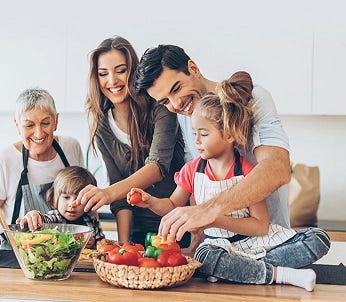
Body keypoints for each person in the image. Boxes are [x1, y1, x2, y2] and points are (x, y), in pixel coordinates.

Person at [128, 72, 330, 291]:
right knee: (205, 256)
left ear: (229, 135)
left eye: (203, 134)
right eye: (194, 133)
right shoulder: (192, 171)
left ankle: (238, 271)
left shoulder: (248, 173)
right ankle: (279, 274)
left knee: (318, 238)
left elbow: (261, 226)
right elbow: (172, 205)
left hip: (256, 243)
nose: (196, 141)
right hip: (219, 248)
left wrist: (213, 218)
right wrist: (150, 202)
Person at [134, 44, 293, 242]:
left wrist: (209, 211)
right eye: (165, 102)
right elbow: (196, 184)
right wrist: (197, 241)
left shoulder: (254, 98)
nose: (176, 105)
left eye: (176, 89)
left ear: (193, 68)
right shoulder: (187, 114)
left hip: (271, 240)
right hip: (219, 245)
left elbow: (278, 168)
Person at [76, 36, 186, 245]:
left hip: (176, 227)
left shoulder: (161, 108)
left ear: (133, 72)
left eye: (120, 70)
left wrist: (107, 193)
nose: (112, 81)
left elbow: (157, 167)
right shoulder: (102, 126)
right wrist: (124, 245)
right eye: (103, 74)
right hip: (137, 232)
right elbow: (119, 197)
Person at [0, 88, 84, 259]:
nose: (39, 133)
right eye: (29, 125)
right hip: (16, 259)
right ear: (17, 125)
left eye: (45, 123)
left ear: (56, 121)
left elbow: (84, 204)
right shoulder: (4, 160)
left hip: (65, 257)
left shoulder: (71, 148)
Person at [17, 166, 105, 248]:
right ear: (56, 199)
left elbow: (102, 244)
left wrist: (93, 243)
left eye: (79, 199)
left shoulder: (92, 219)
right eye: (66, 197)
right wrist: (34, 215)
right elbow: (43, 220)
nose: (72, 204)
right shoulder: (55, 217)